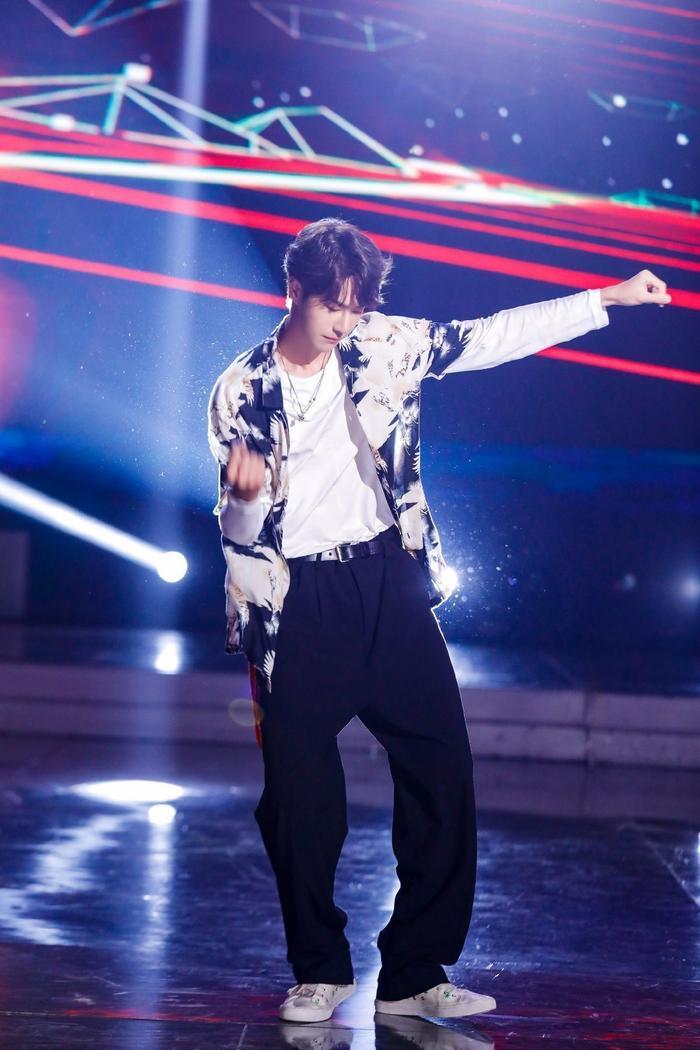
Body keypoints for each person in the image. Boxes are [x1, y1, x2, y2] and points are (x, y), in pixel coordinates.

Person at [207, 218, 671, 1024]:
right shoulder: (242, 388)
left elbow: (488, 337)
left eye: (357, 305)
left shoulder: (386, 345)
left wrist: (605, 298)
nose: (345, 321)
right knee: (299, 798)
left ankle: (413, 974)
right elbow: (240, 530)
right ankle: (319, 970)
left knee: (442, 770)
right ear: (294, 291)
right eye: (331, 305)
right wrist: (244, 498)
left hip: (390, 582)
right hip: (298, 602)